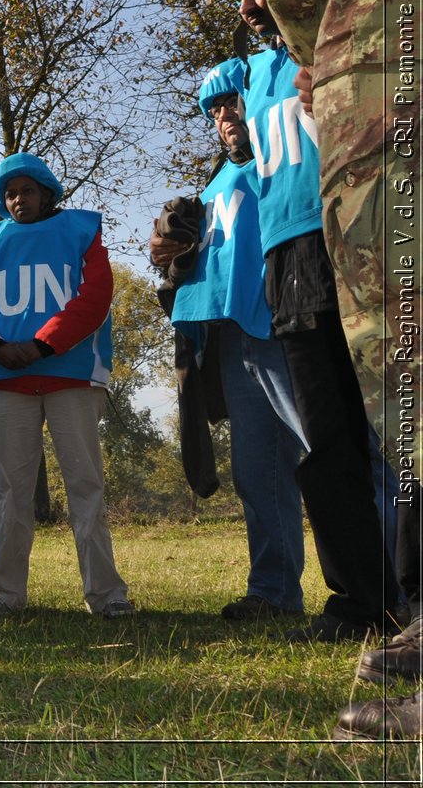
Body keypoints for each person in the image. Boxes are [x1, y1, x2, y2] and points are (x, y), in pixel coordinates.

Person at [215, 0, 401, 644]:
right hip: (286, 260)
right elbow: (247, 164)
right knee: (326, 442)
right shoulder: (255, 73)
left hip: (360, 240)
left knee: (393, 429)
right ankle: (364, 601)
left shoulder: (355, 34)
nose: (251, 4)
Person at [154, 63, 307, 619]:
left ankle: (398, 586)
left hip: (280, 323)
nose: (224, 116)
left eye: (232, 101)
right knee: (257, 471)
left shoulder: (281, 166)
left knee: (335, 452)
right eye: (214, 109)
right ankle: (273, 593)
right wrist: (169, 254)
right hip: (227, 337)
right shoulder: (215, 183)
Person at [0, 152, 132, 619]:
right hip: (10, 381)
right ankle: (2, 595)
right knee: (11, 492)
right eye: (10, 193)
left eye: (28, 190)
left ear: (47, 192)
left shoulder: (81, 233)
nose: (19, 200)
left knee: (85, 485)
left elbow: (93, 298)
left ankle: (107, 594)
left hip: (69, 376)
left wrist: (40, 345)